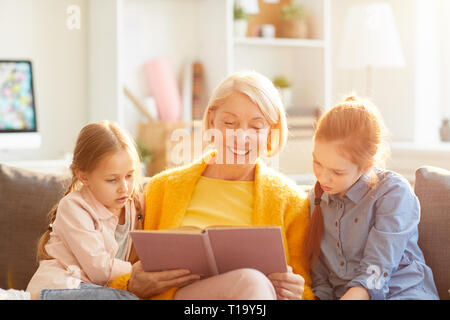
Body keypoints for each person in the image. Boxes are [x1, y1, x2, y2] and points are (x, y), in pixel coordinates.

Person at [108, 70, 315, 300]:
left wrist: (296, 293)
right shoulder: (160, 190)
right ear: (211, 120)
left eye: (256, 127)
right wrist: (132, 284)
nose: (241, 136)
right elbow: (116, 273)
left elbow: (305, 290)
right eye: (229, 123)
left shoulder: (292, 202)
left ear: (270, 133)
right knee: (251, 282)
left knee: (253, 283)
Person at [305, 96, 439, 300]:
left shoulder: (393, 192)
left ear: (367, 165)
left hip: (403, 292)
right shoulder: (316, 199)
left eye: (337, 171)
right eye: (317, 163)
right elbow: (320, 278)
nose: (323, 177)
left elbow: (375, 272)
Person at [1, 121, 144, 300]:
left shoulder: (135, 205)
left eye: (130, 176)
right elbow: (99, 269)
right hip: (62, 287)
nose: (124, 187)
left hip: (98, 290)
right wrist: (138, 270)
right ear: (83, 176)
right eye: (112, 180)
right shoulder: (73, 207)